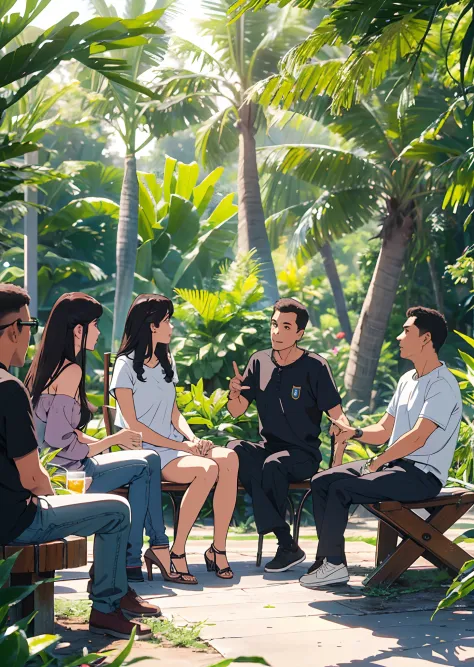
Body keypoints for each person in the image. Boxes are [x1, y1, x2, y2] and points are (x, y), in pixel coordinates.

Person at [0, 284, 159, 639]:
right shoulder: (10, 389)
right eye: (28, 327)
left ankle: (122, 578)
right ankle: (108, 606)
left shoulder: (26, 379)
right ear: (13, 330)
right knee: (117, 511)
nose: (31, 337)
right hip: (17, 518)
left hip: (25, 496)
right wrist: (55, 501)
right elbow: (34, 473)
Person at [300, 306, 462, 589]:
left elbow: (417, 438)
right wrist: (355, 432)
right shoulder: (406, 381)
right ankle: (328, 561)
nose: (399, 337)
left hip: (422, 477)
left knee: (342, 488)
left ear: (426, 339)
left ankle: (334, 566)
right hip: (394, 467)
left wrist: (375, 463)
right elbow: (384, 431)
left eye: (407, 331)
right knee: (322, 481)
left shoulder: (442, 385)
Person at [25, 292, 181, 584]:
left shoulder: (45, 368)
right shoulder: (70, 371)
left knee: (147, 459)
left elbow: (59, 431)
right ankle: (139, 556)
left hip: (60, 467)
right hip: (68, 476)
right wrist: (111, 441)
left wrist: (96, 442)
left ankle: (141, 554)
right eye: (95, 324)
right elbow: (61, 442)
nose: (98, 331)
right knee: (147, 463)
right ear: (78, 330)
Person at [110, 294, 239, 584]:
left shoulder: (167, 359)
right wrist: (184, 446)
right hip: (147, 453)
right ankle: (176, 553)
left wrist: (194, 438)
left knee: (228, 457)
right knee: (207, 469)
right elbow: (135, 428)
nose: (171, 326)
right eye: (167, 320)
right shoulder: (124, 365)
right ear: (152, 325)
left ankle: (218, 549)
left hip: (174, 446)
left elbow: (173, 411)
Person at [227, 297, 349, 573]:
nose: (276, 332)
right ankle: (288, 542)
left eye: (285, 327)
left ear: (299, 334)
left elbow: (336, 413)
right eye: (273, 325)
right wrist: (234, 393)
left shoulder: (315, 366)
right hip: (268, 447)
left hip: (302, 454)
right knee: (234, 449)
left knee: (274, 465)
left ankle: (285, 546)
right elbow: (237, 411)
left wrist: (340, 437)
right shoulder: (258, 361)